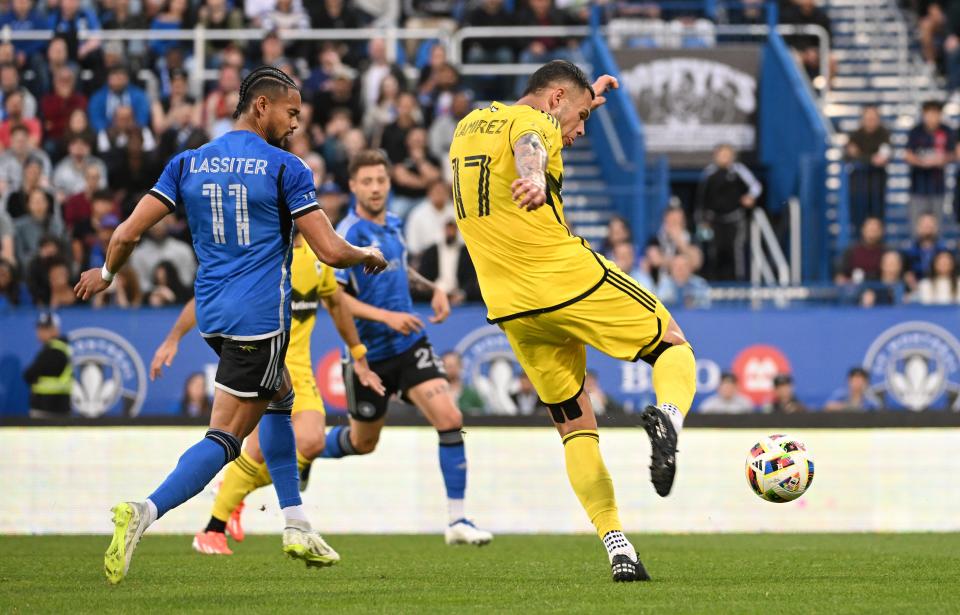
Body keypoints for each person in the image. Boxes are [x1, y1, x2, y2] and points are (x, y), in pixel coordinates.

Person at [73, 66, 387, 584]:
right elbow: (330, 251)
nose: (295, 123)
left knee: (282, 396)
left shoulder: (187, 162)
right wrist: (366, 253)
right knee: (225, 439)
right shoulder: (287, 168)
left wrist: (107, 274)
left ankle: (295, 521)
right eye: (291, 112)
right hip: (260, 322)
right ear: (261, 106)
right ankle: (144, 511)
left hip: (214, 318)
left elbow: (127, 232)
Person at [450, 60, 696, 582]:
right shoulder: (537, 123)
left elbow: (534, 130)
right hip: (565, 278)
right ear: (555, 97)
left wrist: (587, 103)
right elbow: (531, 145)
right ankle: (670, 420)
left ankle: (617, 545)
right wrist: (535, 178)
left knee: (575, 426)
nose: (581, 131)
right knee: (672, 345)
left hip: (511, 307)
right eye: (580, 117)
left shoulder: (468, 125)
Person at [151, 228, 385, 555]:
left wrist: (358, 354)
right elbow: (206, 294)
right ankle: (216, 525)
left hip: (300, 371)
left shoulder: (322, 259)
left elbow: (336, 304)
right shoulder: (265, 252)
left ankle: (234, 500)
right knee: (259, 447)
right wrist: (174, 337)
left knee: (308, 441)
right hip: (266, 362)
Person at [320, 149, 492, 546]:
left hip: (410, 344)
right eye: (367, 181)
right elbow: (336, 299)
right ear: (352, 186)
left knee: (449, 417)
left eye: (381, 180)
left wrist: (432, 288)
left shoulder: (394, 224)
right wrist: (387, 318)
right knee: (364, 443)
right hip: (369, 356)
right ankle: (305, 451)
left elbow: (400, 268)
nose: (376, 188)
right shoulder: (346, 235)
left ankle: (457, 521)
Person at [695, 144, 762, 281]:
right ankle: (712, 282)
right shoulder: (709, 173)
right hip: (713, 221)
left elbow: (756, 186)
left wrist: (750, 197)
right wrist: (702, 221)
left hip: (734, 220)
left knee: (736, 251)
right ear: (715, 156)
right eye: (721, 155)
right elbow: (701, 199)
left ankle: (738, 282)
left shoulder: (739, 171)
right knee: (712, 251)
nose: (724, 158)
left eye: (727, 154)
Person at [904, 100, 955, 228]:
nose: (932, 117)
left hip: (938, 187)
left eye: (935, 113)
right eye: (929, 113)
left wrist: (942, 159)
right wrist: (922, 162)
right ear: (924, 114)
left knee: (936, 226)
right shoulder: (916, 131)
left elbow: (954, 154)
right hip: (918, 187)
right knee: (917, 225)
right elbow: (907, 155)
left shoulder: (946, 131)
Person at [415, 218, 482, 304]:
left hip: (458, 294)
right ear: (444, 230)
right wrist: (435, 292)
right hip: (434, 293)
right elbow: (424, 276)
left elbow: (471, 278)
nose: (450, 232)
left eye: (453, 229)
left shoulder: (466, 252)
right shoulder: (432, 251)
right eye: (448, 229)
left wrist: (462, 294)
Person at [844, 106, 891, 227]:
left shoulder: (884, 135)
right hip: (858, 188)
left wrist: (861, 156)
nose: (871, 121)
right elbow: (847, 156)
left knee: (877, 222)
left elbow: (883, 158)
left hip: (877, 188)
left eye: (873, 118)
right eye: (868, 118)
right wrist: (871, 158)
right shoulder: (855, 135)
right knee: (858, 222)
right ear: (862, 119)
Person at [23, 311, 72, 419]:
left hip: (50, 411)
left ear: (55, 330)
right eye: (40, 328)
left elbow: (29, 374)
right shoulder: (56, 349)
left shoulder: (55, 351)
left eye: (46, 328)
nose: (41, 332)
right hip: (54, 408)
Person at [836, 216, 886, 284]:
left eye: (875, 230)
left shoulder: (887, 253)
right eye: (870, 229)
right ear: (863, 230)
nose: (872, 232)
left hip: (881, 290)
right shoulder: (851, 251)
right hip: (855, 290)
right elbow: (840, 277)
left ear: (881, 232)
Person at [441, 351, 485, 415]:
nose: (448, 369)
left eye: (451, 366)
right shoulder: (436, 394)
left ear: (460, 366)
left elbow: (482, 416)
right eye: (445, 366)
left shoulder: (471, 394)